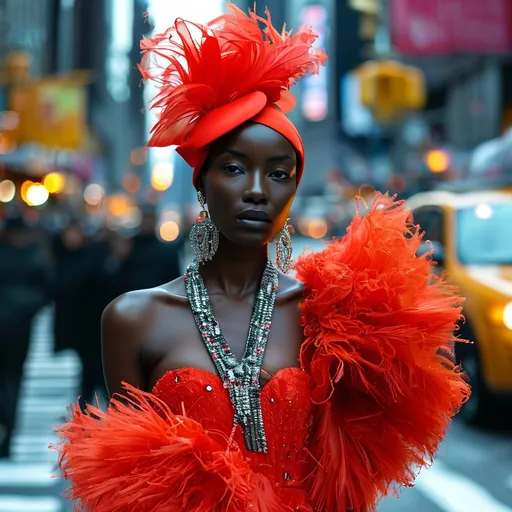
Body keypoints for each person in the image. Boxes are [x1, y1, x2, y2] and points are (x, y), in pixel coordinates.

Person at [53, 6, 470, 511]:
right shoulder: (133, 318)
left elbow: (352, 468)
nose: (256, 191)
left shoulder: (331, 318)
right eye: (234, 167)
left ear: (293, 188)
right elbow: (127, 489)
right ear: (202, 182)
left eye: (278, 173)